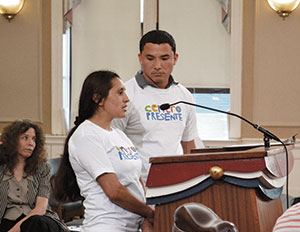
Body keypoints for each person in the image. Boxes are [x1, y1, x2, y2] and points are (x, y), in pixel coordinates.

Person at [52, 70, 154, 232]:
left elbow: (136, 181)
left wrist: (147, 216)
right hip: (108, 226)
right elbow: (114, 191)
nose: (127, 98)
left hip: (134, 226)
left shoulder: (119, 135)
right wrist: (150, 212)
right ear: (98, 99)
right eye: (120, 92)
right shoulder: (87, 135)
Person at [111, 29, 201, 182]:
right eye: (150, 58)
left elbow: (188, 144)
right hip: (138, 184)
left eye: (165, 58)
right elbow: (113, 146)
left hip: (178, 182)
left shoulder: (184, 95)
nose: (158, 65)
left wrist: (192, 180)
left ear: (175, 58)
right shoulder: (125, 95)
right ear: (140, 59)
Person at [0, 120, 68, 232]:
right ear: (13, 141)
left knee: (36, 223)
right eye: (25, 138)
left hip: (39, 220)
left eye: (33, 139)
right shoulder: (2, 168)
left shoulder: (42, 169)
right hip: (8, 221)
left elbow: (41, 208)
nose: (31, 143)